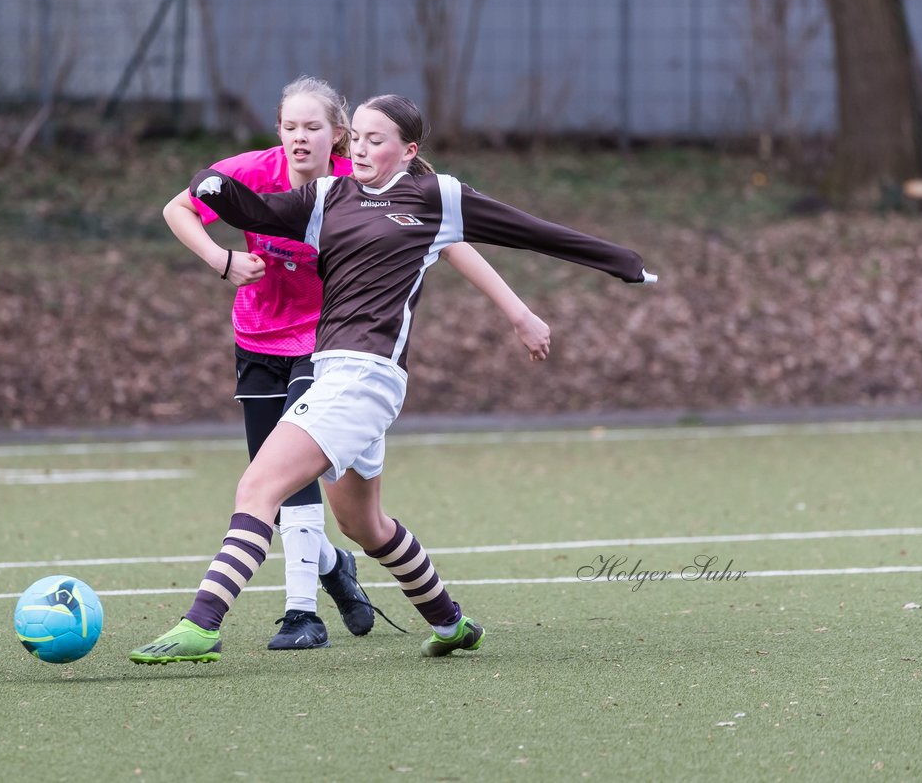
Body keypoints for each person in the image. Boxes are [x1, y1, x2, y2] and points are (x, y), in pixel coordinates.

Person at [130, 93, 656, 666]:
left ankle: (201, 625)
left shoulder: (437, 196)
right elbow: (258, 213)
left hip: (366, 377)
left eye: (374, 139)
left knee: (258, 488)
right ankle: (452, 624)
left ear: (408, 150)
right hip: (336, 372)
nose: (358, 147)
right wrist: (211, 185)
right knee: (362, 523)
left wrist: (621, 262)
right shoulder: (328, 196)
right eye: (354, 136)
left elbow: (530, 231)